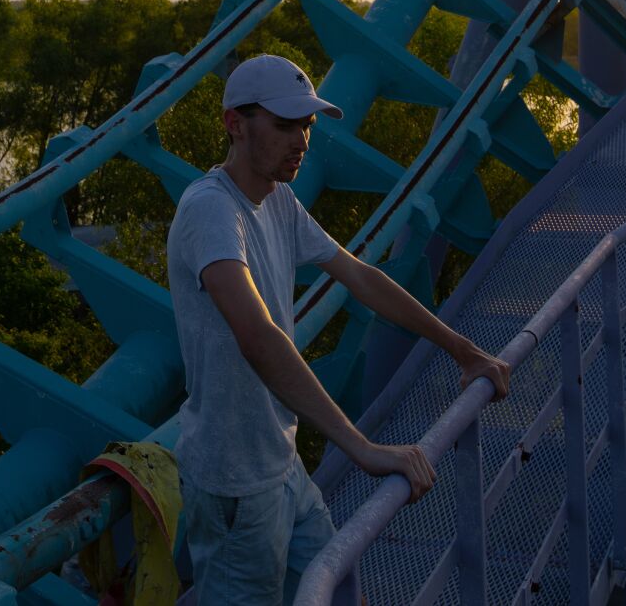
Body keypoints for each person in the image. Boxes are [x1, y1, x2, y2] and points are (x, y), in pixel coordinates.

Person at [168, 53, 511, 604]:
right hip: (235, 484)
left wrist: (463, 350)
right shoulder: (211, 210)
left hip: (281, 466)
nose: (301, 140)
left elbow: (361, 278)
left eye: (305, 126)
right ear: (235, 123)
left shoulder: (276, 201)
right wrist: (361, 448)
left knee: (340, 592)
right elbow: (257, 338)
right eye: (284, 125)